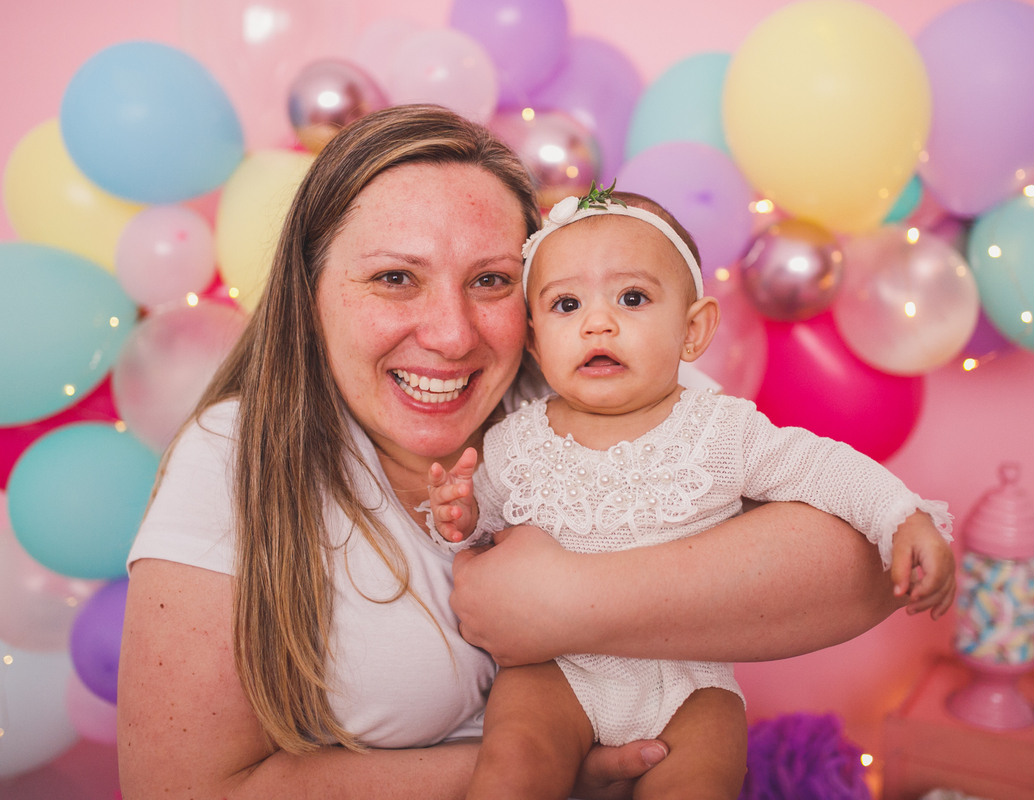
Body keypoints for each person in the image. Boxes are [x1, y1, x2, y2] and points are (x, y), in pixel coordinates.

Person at [118, 105, 949, 800]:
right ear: (308, 292)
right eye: (395, 278)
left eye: (488, 282)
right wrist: (536, 768)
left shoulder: (580, 398)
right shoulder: (237, 457)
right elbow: (185, 790)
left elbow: (867, 565)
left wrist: (572, 600)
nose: (449, 335)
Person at [425, 186, 956, 799]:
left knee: (703, 778)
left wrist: (900, 516)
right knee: (513, 768)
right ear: (537, 342)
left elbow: (821, 467)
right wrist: (457, 515)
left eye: (632, 298)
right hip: (557, 672)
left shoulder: (718, 430)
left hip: (687, 680)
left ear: (693, 330)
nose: (598, 322)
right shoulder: (513, 442)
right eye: (567, 304)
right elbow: (481, 537)